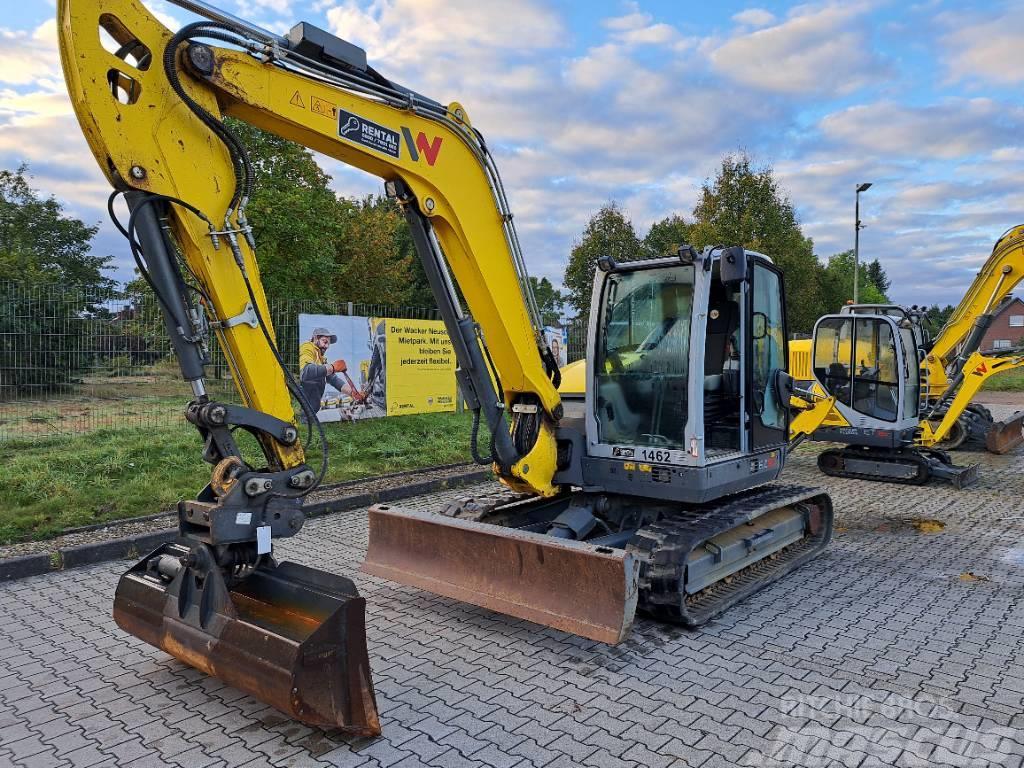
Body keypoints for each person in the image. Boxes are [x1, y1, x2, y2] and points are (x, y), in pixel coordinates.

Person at [298, 327, 361, 416]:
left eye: (329, 343)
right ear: (316, 338)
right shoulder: (307, 348)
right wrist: (332, 367)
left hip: (310, 411)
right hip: (303, 409)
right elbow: (305, 371)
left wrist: (353, 393)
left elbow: (334, 380)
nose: (327, 346)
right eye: (325, 342)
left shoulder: (321, 359)